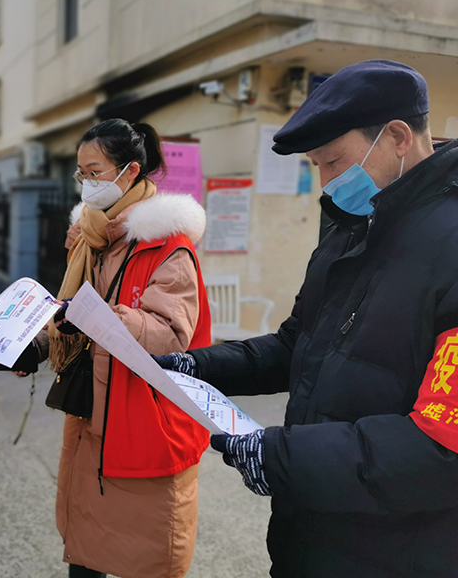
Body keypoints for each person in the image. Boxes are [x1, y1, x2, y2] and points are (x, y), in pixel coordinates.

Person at [155, 59, 458, 577]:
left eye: (334, 162)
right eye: (316, 165)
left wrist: (279, 456)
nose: (327, 182)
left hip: (402, 552)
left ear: (398, 137)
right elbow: (299, 343)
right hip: (310, 536)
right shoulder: (352, 228)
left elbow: (441, 445)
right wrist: (198, 367)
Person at [13, 119, 211, 578]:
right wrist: (37, 346)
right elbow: (70, 313)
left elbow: (170, 334)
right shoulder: (90, 236)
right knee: (87, 542)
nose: (86, 183)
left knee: (147, 553)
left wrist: (94, 316)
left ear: (130, 171)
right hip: (92, 412)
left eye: (95, 171)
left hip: (144, 416)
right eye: (81, 173)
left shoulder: (166, 246)